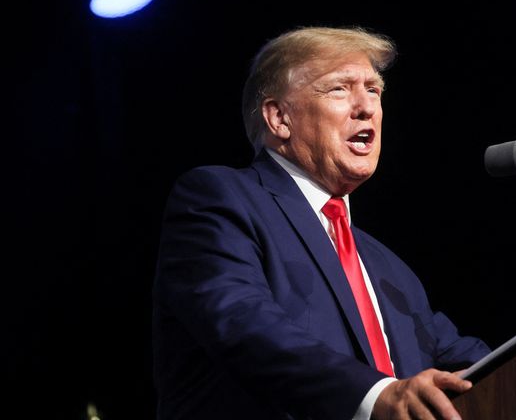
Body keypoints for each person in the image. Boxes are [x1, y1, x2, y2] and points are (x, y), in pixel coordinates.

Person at [153, 26, 490, 420]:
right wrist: (377, 395)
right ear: (279, 118)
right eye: (340, 89)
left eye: (374, 90)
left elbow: (464, 366)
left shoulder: (388, 270)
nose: (366, 107)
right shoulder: (219, 198)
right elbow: (243, 325)